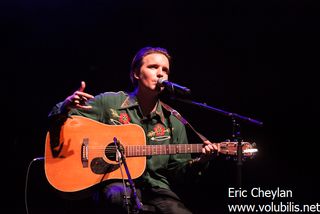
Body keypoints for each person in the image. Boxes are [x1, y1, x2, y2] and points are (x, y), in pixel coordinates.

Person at [47, 46, 217, 214]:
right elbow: (61, 122)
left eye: (165, 70)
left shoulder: (174, 120)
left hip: (157, 189)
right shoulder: (110, 103)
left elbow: (179, 172)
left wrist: (201, 161)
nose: (160, 74)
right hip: (115, 183)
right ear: (136, 73)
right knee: (119, 199)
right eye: (153, 67)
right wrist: (65, 106)